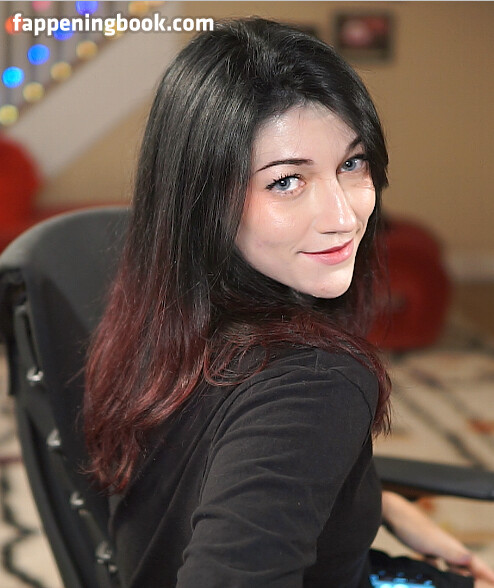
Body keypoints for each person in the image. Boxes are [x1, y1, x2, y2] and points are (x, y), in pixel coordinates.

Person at [84, 18, 494, 588]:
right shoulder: (316, 384)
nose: (344, 216)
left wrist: (380, 504)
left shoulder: (157, 316)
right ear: (205, 200)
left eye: (351, 164)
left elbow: (227, 466)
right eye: (286, 181)